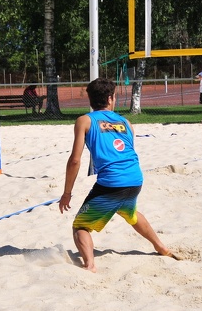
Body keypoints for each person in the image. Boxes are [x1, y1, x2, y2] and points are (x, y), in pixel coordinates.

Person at [59, 77, 179, 272]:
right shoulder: (126, 122)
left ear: (90, 99)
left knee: (80, 227)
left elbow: (75, 160)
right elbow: (127, 152)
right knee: (130, 212)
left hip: (111, 183)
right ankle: (160, 246)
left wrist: (67, 193)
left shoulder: (84, 121)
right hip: (135, 178)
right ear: (110, 98)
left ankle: (89, 265)